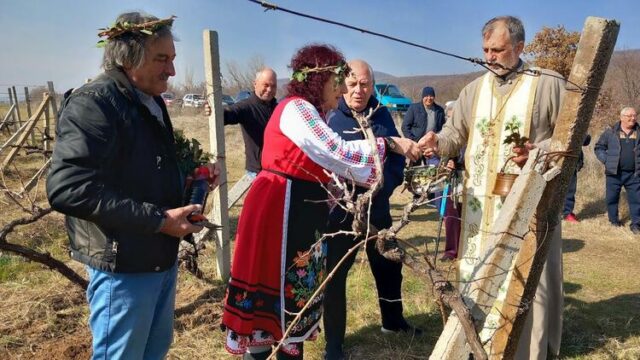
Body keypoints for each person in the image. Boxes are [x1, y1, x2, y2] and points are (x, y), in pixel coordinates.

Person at [221, 45, 421, 360]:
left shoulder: (311, 111)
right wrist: (390, 143)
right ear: (320, 80)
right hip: (280, 208)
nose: (342, 89)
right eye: (338, 82)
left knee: (291, 296)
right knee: (271, 291)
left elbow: (329, 162)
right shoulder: (296, 108)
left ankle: (286, 348)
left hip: (298, 211)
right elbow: (336, 151)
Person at [46, 12, 219, 359]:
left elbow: (142, 170)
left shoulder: (149, 100)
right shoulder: (94, 104)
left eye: (172, 59)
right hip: (123, 265)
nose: (171, 70)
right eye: (162, 59)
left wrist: (187, 183)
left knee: (154, 352)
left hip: (158, 257)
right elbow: (67, 187)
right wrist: (159, 219)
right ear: (128, 58)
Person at [419, 16, 566, 359]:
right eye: (485, 49)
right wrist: (435, 142)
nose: (490, 56)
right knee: (477, 268)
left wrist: (538, 152)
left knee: (525, 275)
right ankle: (475, 341)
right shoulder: (474, 90)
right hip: (479, 208)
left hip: (527, 204)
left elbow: (572, 138)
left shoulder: (546, 84)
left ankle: (525, 347)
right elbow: (455, 135)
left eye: (497, 50)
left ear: (520, 47)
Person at [322, 59, 421, 360]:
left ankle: (393, 322)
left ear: (372, 85)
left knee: (389, 266)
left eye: (364, 84)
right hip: (342, 214)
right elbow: (327, 164)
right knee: (336, 276)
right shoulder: (332, 119)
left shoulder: (382, 116)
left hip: (378, 210)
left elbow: (396, 160)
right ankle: (334, 344)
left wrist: (383, 187)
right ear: (342, 85)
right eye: (352, 84)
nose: (358, 90)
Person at [223, 68, 278, 178]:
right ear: (255, 84)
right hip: (257, 172)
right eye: (266, 85)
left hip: (277, 170)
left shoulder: (278, 108)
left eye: (273, 86)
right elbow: (228, 114)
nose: (269, 89)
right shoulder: (246, 106)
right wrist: (214, 111)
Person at [594, 107, 640, 233]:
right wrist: (606, 161)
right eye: (629, 116)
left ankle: (636, 224)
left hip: (634, 174)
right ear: (622, 117)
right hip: (614, 173)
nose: (633, 118)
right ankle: (614, 221)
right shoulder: (611, 132)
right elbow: (599, 148)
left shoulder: (639, 131)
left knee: (637, 199)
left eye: (634, 115)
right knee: (612, 198)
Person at [441, 100, 463, 261]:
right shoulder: (446, 133)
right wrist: (447, 162)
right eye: (448, 118)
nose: (450, 122)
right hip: (453, 180)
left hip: (468, 177)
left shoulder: (468, 131)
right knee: (451, 214)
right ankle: (451, 251)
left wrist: (459, 161)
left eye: (453, 118)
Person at [401, 86, 445, 166]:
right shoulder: (414, 108)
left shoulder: (439, 111)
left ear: (434, 97)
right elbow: (405, 127)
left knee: (432, 169)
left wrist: (437, 142)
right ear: (422, 97)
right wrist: (413, 141)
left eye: (431, 96)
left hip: (431, 146)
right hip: (416, 144)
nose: (429, 98)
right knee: (414, 169)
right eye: (426, 96)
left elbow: (442, 129)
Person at [562, 134, 591, 223]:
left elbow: (586, 141)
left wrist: (581, 133)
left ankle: (567, 213)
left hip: (572, 159)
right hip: (554, 156)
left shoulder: (575, 121)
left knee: (570, 189)